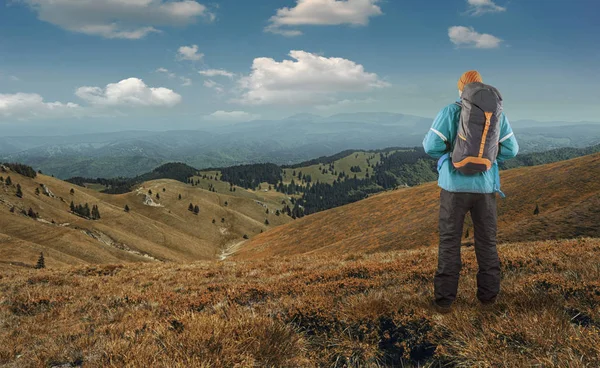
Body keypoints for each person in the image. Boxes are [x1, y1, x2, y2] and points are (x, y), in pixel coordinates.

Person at [422, 70, 519, 313]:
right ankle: (488, 299)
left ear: (462, 90)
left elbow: (430, 146)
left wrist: (450, 156)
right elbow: (512, 150)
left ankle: (444, 301)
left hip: (453, 189)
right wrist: (488, 159)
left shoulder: (450, 111)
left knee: (449, 242)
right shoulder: (497, 114)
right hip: (485, 189)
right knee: (487, 242)